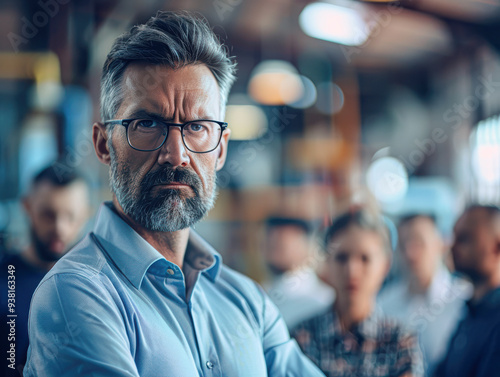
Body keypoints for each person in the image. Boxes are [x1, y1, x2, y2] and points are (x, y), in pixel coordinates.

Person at [24, 11, 326, 377]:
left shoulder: (246, 300)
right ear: (104, 144)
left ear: (221, 149)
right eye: (148, 123)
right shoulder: (75, 294)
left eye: (197, 126)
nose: (177, 154)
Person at [292, 209, 424, 377]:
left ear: (385, 265)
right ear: (327, 262)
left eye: (365, 258)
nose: (352, 271)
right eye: (341, 258)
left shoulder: (400, 342)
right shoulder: (302, 338)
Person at [0, 164, 90, 376]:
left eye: (71, 216)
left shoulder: (96, 285)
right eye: (48, 214)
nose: (60, 228)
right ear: (27, 207)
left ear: (86, 215)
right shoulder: (5, 281)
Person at [377, 214, 471, 376]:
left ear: (440, 244)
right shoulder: (384, 304)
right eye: (403, 244)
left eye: (419, 243)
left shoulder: (464, 300)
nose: (410, 253)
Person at [435, 205, 500, 377]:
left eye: (464, 239)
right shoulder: (471, 311)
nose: (453, 247)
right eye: (454, 237)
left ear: (496, 247)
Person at [263, 217, 335, 330]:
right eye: (269, 243)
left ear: (306, 246)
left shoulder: (325, 300)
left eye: (281, 244)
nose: (272, 242)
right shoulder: (262, 292)